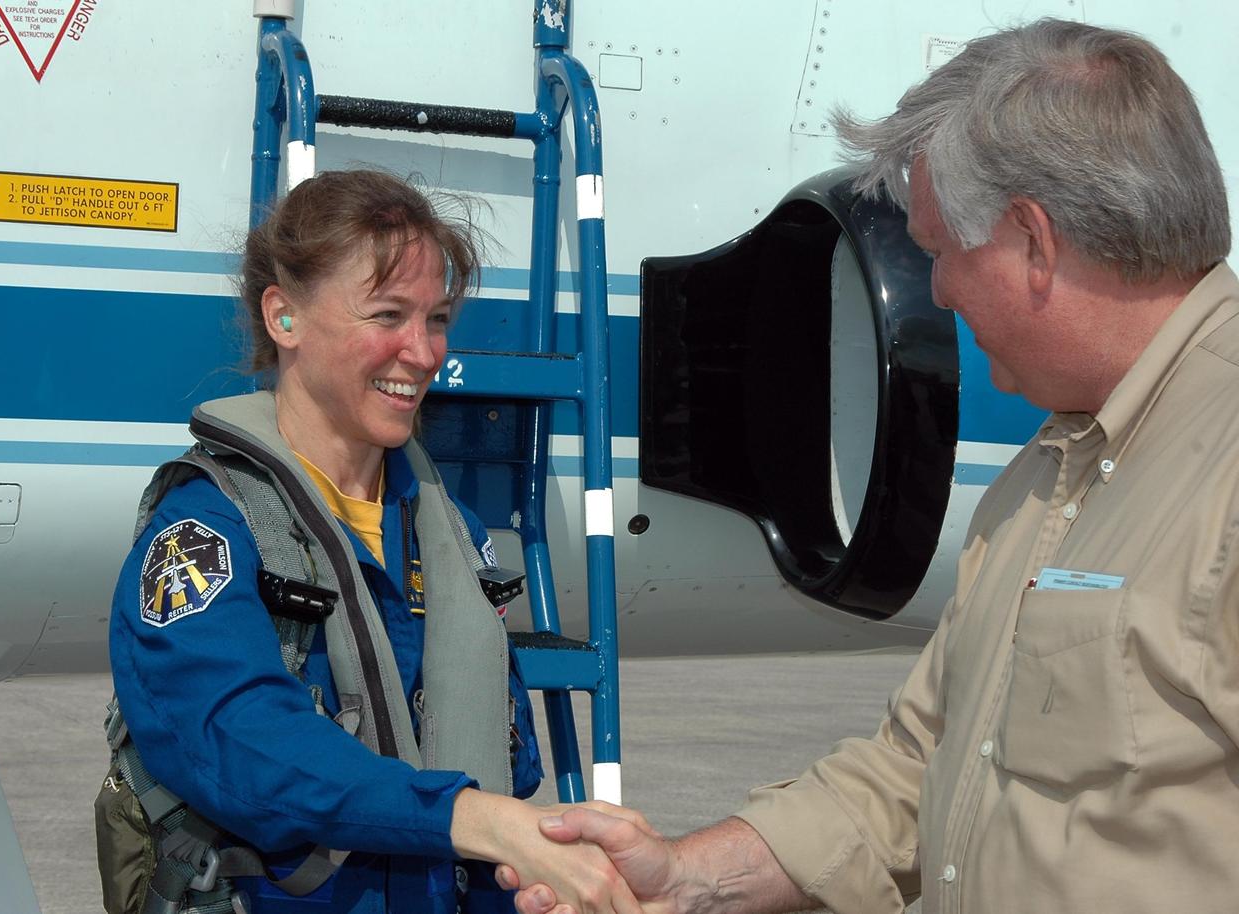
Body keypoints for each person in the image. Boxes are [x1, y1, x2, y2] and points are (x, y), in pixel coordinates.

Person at [502, 18, 1239, 914]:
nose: (938, 291)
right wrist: (690, 879)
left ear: (1033, 242)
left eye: (941, 253)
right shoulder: (1048, 475)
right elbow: (919, 770)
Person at [99, 169, 641, 914]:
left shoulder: (452, 539)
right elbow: (243, 744)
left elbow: (504, 771)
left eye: (437, 318)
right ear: (285, 318)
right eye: (388, 315)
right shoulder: (206, 533)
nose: (422, 354)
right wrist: (480, 822)